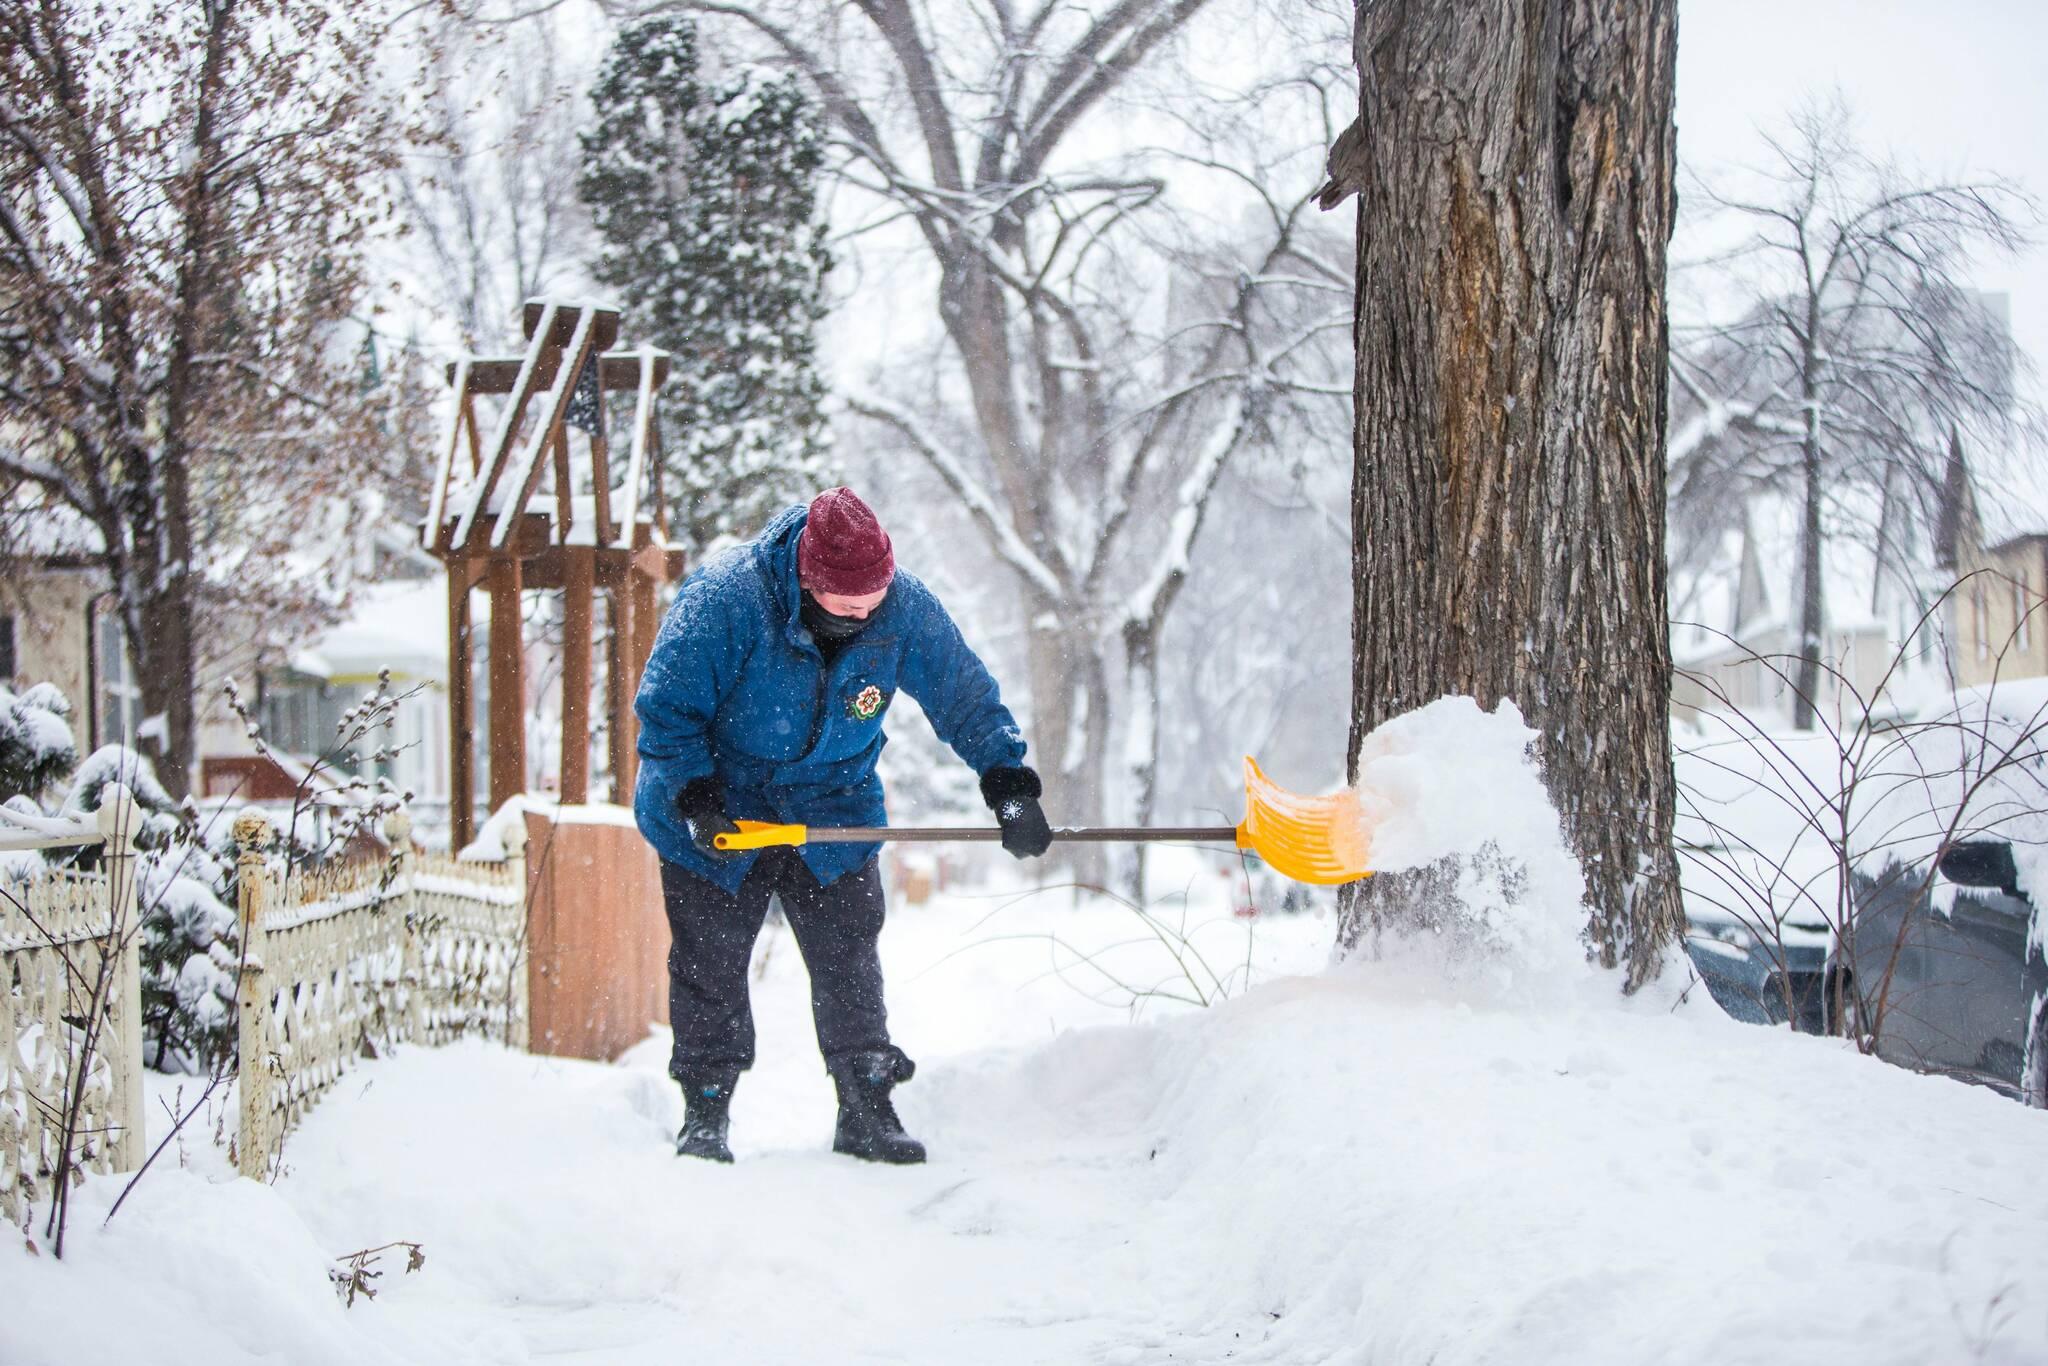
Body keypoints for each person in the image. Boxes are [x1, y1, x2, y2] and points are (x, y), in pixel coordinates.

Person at [633, 487, 1053, 1165]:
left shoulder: (901, 607)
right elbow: (667, 709)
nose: (866, 613)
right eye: (849, 603)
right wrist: (695, 798)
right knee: (711, 964)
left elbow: (963, 694)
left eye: (874, 599)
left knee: (849, 957)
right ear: (807, 579)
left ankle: (865, 1106)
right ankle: (705, 1110)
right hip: (720, 799)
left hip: (833, 799)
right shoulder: (726, 599)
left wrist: (1006, 782)